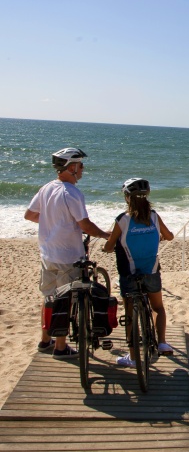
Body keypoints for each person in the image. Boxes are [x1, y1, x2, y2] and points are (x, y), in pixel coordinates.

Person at [25, 147, 111, 359]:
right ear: (72, 167)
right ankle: (61, 347)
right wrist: (107, 235)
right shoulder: (71, 192)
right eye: (81, 165)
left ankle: (45, 340)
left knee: (48, 297)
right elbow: (85, 225)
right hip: (68, 256)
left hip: (47, 253)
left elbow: (30, 214)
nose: (82, 170)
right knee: (65, 300)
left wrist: (52, 221)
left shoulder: (46, 188)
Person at [102, 177, 175, 368]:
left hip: (129, 274)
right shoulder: (154, 216)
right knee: (157, 307)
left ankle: (133, 358)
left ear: (127, 198)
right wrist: (156, 236)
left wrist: (107, 247)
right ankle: (162, 342)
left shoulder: (123, 220)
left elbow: (109, 246)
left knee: (129, 313)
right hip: (151, 270)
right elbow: (170, 236)